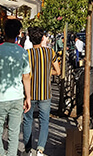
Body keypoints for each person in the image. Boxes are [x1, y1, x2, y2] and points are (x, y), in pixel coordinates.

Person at [23, 27, 60, 156]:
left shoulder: (26, 54)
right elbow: (58, 71)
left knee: (28, 120)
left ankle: (28, 150)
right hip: (45, 93)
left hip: (30, 93)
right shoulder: (51, 53)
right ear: (43, 38)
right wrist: (47, 72)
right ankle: (40, 150)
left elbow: (23, 73)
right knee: (44, 121)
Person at [0, 18, 31, 156]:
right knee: (14, 132)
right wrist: (28, 97)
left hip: (1, 96)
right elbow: (26, 77)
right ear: (18, 34)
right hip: (17, 96)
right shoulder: (22, 53)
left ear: (3, 32)